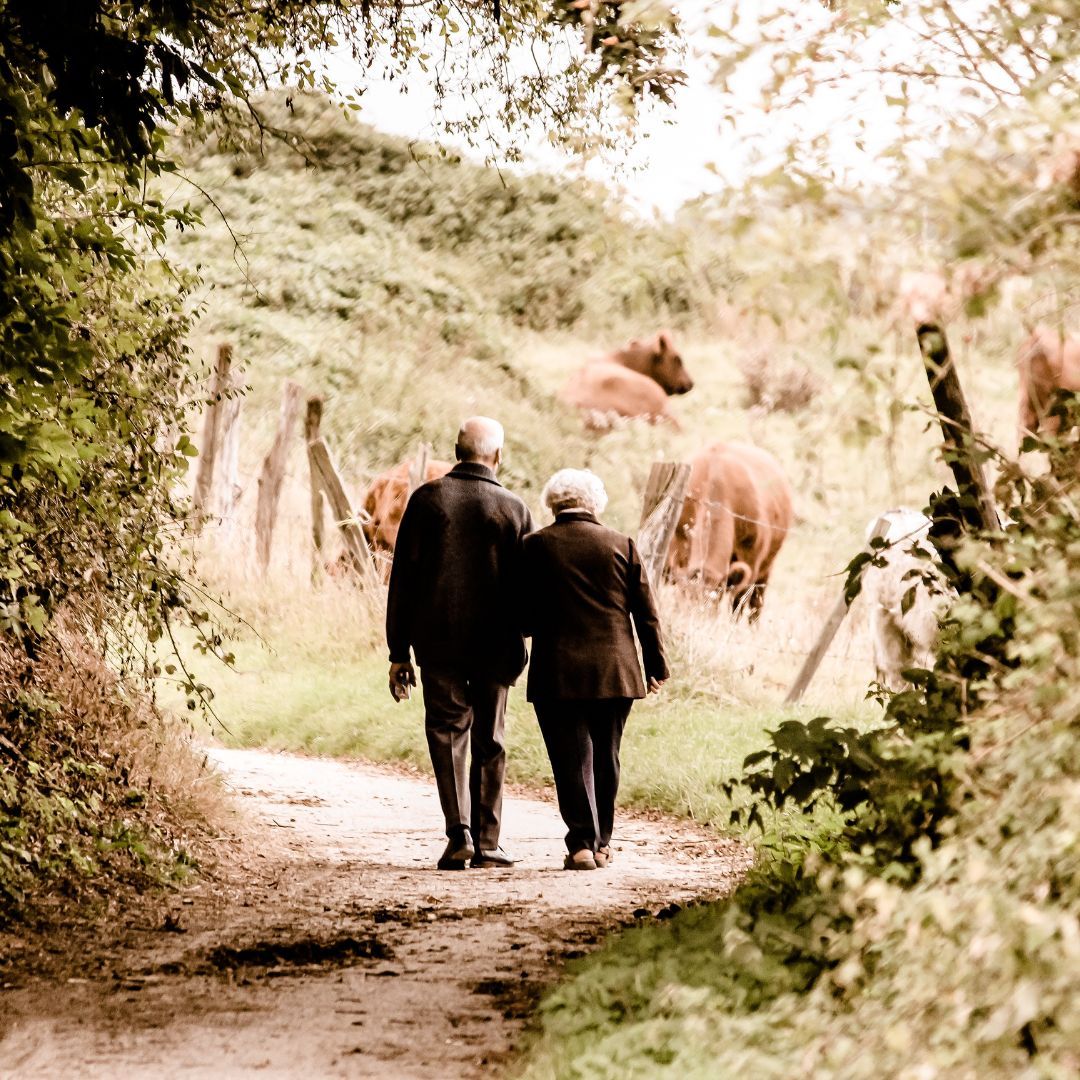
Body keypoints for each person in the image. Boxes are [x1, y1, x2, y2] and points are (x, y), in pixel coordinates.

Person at [386, 417, 535, 871]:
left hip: (438, 641)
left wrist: (398, 652)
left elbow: (403, 581)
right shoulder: (514, 508)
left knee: (448, 733)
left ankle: (460, 835)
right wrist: (524, 634)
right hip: (497, 644)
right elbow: (528, 587)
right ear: (498, 456)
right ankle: (489, 842)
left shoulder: (427, 501)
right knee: (491, 737)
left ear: (456, 450)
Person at [521, 468, 669, 871]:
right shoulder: (622, 544)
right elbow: (647, 614)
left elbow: (522, 616)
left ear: (552, 502)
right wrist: (655, 665)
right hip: (616, 669)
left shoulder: (534, 546)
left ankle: (581, 844)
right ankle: (602, 842)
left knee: (570, 758)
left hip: (557, 670)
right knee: (607, 755)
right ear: (595, 503)